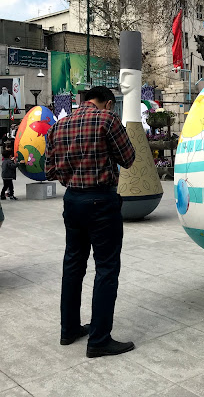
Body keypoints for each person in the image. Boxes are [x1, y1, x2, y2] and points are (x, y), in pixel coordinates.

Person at [45, 86, 136, 358]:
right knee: (106, 268)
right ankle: (99, 340)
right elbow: (129, 159)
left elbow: (49, 169)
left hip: (72, 201)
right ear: (107, 103)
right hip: (101, 202)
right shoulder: (107, 120)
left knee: (73, 265)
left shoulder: (58, 125)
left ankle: (69, 329)